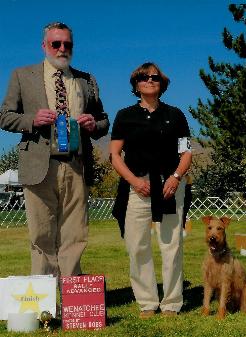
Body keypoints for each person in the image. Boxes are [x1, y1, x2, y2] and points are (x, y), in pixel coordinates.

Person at [0, 22, 109, 278]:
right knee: (41, 234)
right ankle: (44, 299)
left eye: (67, 44)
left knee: (75, 233)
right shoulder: (21, 75)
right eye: (56, 44)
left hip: (76, 164)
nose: (62, 49)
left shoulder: (86, 80)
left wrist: (94, 124)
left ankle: (72, 298)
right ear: (44, 46)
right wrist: (31, 120)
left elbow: (103, 119)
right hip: (39, 164)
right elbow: (4, 116)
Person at [110, 62, 192, 318]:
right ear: (136, 83)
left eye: (155, 77)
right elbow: (114, 154)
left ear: (162, 83)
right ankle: (147, 302)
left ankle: (171, 303)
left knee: (171, 245)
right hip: (137, 188)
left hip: (169, 187)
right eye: (144, 77)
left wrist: (176, 177)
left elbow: (187, 151)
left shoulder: (176, 115)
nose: (150, 80)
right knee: (136, 246)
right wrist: (134, 181)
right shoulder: (124, 115)